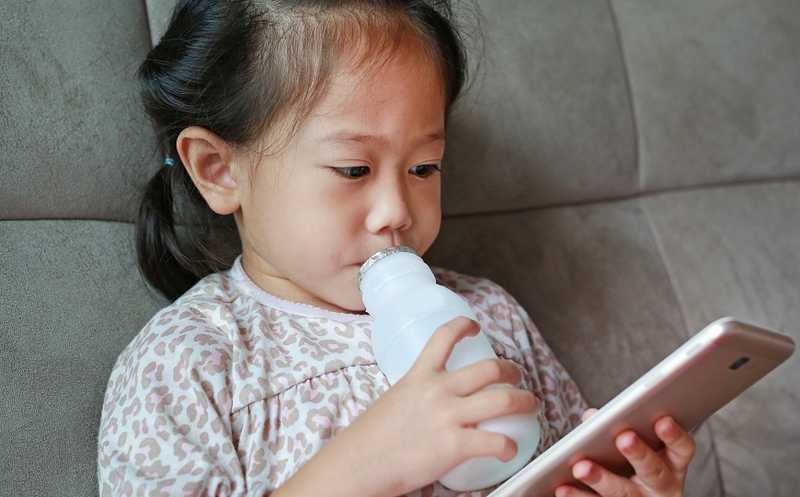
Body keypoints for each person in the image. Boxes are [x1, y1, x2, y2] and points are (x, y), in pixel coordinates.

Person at [96, 1, 696, 496]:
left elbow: (566, 465)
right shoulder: (189, 362)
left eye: (424, 167)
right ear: (219, 170)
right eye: (353, 169)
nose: (397, 212)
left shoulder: (490, 314)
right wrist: (365, 466)